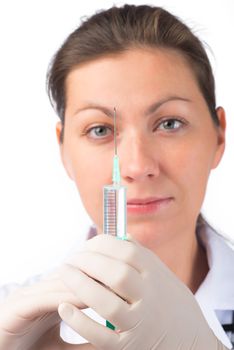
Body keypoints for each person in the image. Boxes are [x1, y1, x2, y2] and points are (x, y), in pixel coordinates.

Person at [0, 3, 233, 349]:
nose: (137, 166)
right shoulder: (15, 319)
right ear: (64, 150)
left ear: (218, 137)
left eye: (169, 123)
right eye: (99, 130)